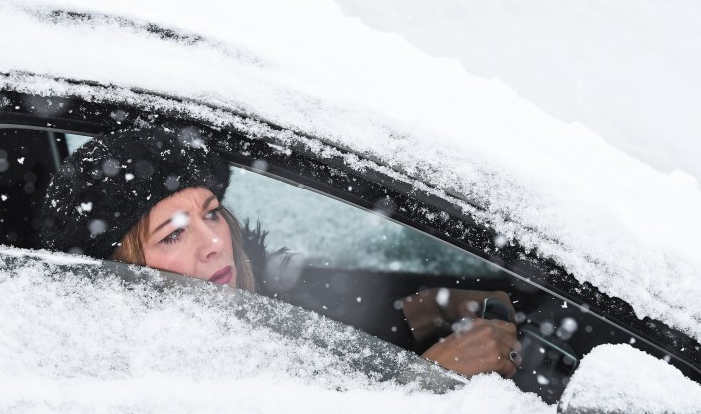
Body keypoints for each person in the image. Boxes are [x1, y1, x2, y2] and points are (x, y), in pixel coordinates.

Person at [39, 126, 520, 378]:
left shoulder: (254, 301)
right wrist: (431, 386)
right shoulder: (138, 378)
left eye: (210, 213)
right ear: (120, 269)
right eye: (172, 235)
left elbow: (321, 330)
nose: (213, 244)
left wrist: (419, 312)